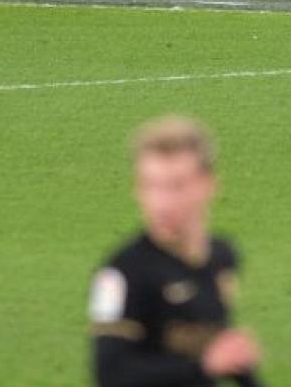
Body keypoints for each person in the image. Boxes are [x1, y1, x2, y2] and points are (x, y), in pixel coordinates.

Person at [89, 116, 263, 387]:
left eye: (176, 186)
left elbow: (219, 349)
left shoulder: (221, 258)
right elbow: (111, 374)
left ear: (208, 184)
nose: (162, 203)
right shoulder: (123, 273)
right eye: (151, 185)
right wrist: (205, 366)